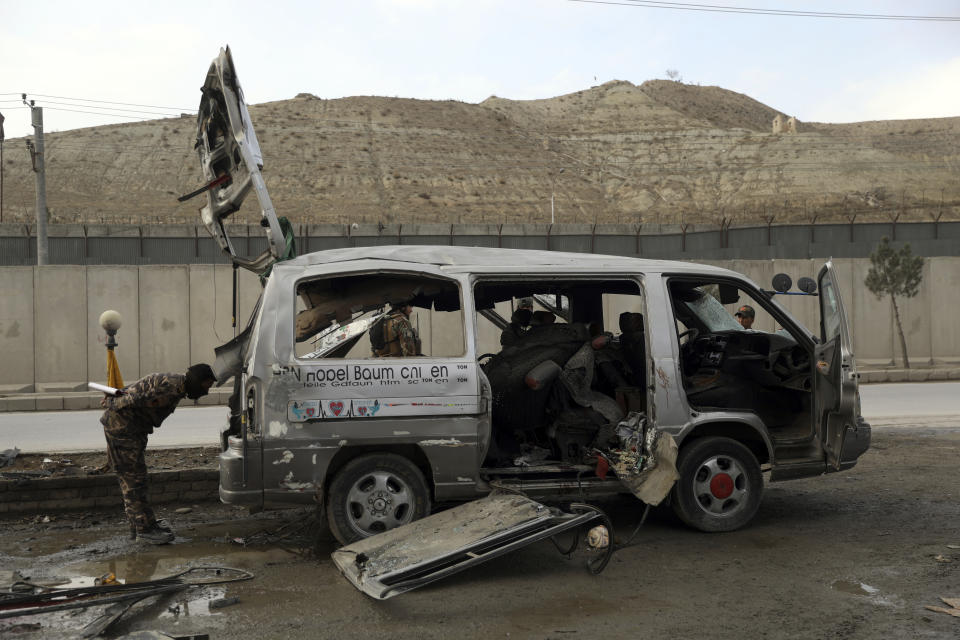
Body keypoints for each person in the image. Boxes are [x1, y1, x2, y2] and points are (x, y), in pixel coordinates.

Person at [100, 364, 217, 544]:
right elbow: (132, 399)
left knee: (136, 479)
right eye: (205, 387)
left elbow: (133, 393)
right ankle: (144, 530)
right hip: (123, 430)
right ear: (196, 381)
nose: (205, 392)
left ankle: (142, 524)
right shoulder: (169, 388)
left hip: (131, 430)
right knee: (133, 480)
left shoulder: (176, 385)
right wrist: (110, 401)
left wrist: (116, 394)